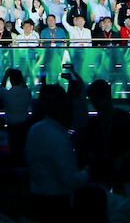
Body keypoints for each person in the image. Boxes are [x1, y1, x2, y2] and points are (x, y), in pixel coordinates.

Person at [25, 85, 86, 222]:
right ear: (65, 111)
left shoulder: (34, 129)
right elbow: (69, 181)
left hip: (35, 200)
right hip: (56, 205)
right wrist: (88, 172)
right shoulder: (58, 139)